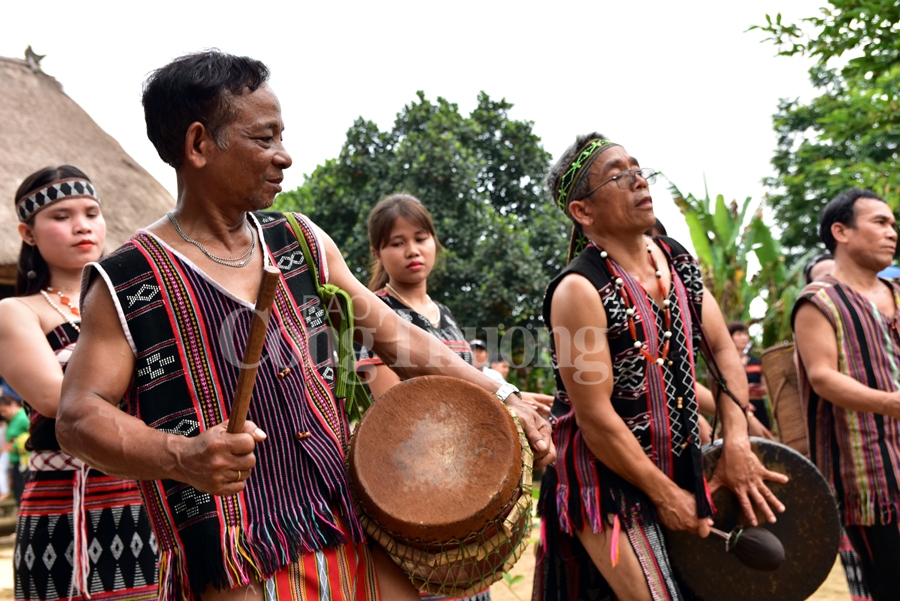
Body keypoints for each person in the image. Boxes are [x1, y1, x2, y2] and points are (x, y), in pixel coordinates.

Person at [54, 51, 553, 601]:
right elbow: (78, 417)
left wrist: (502, 394)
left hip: (350, 525)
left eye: (281, 137)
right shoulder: (126, 277)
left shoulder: (301, 240)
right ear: (198, 144)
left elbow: (397, 335)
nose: (284, 157)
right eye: (264, 139)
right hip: (237, 558)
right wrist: (184, 456)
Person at [533, 134, 786, 601]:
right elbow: (595, 418)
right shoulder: (578, 291)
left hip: (680, 464)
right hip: (603, 484)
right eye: (617, 173)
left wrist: (734, 441)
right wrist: (666, 495)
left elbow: (724, 353)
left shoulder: (677, 261)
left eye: (637, 168)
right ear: (582, 212)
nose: (637, 179)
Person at [0, 166, 158, 601]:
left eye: (91, 212)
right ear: (27, 233)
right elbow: (58, 400)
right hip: (66, 509)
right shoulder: (17, 311)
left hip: (149, 498)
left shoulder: (135, 300)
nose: (82, 226)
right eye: (61, 216)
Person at [355, 193, 491, 601]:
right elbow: (398, 414)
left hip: (466, 484)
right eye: (397, 242)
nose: (412, 250)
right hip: (412, 489)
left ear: (435, 242)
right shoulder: (375, 316)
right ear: (378, 251)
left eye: (421, 237)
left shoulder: (444, 314)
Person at [792, 188, 900, 600]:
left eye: (893, 224)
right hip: (870, 479)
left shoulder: (898, 293)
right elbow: (823, 377)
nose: (892, 232)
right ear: (841, 231)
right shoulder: (818, 302)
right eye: (879, 222)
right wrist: (892, 403)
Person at [727, 322, 774, 432]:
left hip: (759, 407)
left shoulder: (756, 361)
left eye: (745, 334)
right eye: (738, 334)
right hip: (737, 408)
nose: (743, 337)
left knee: (764, 440)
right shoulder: (727, 363)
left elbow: (765, 386)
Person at [0, 394, 29, 503]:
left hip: (24, 461)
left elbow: (32, 434)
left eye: (4, 411)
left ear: (12, 404)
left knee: (21, 491)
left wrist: (16, 445)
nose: (3, 414)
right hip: (16, 460)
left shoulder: (22, 417)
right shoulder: (12, 420)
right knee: (18, 491)